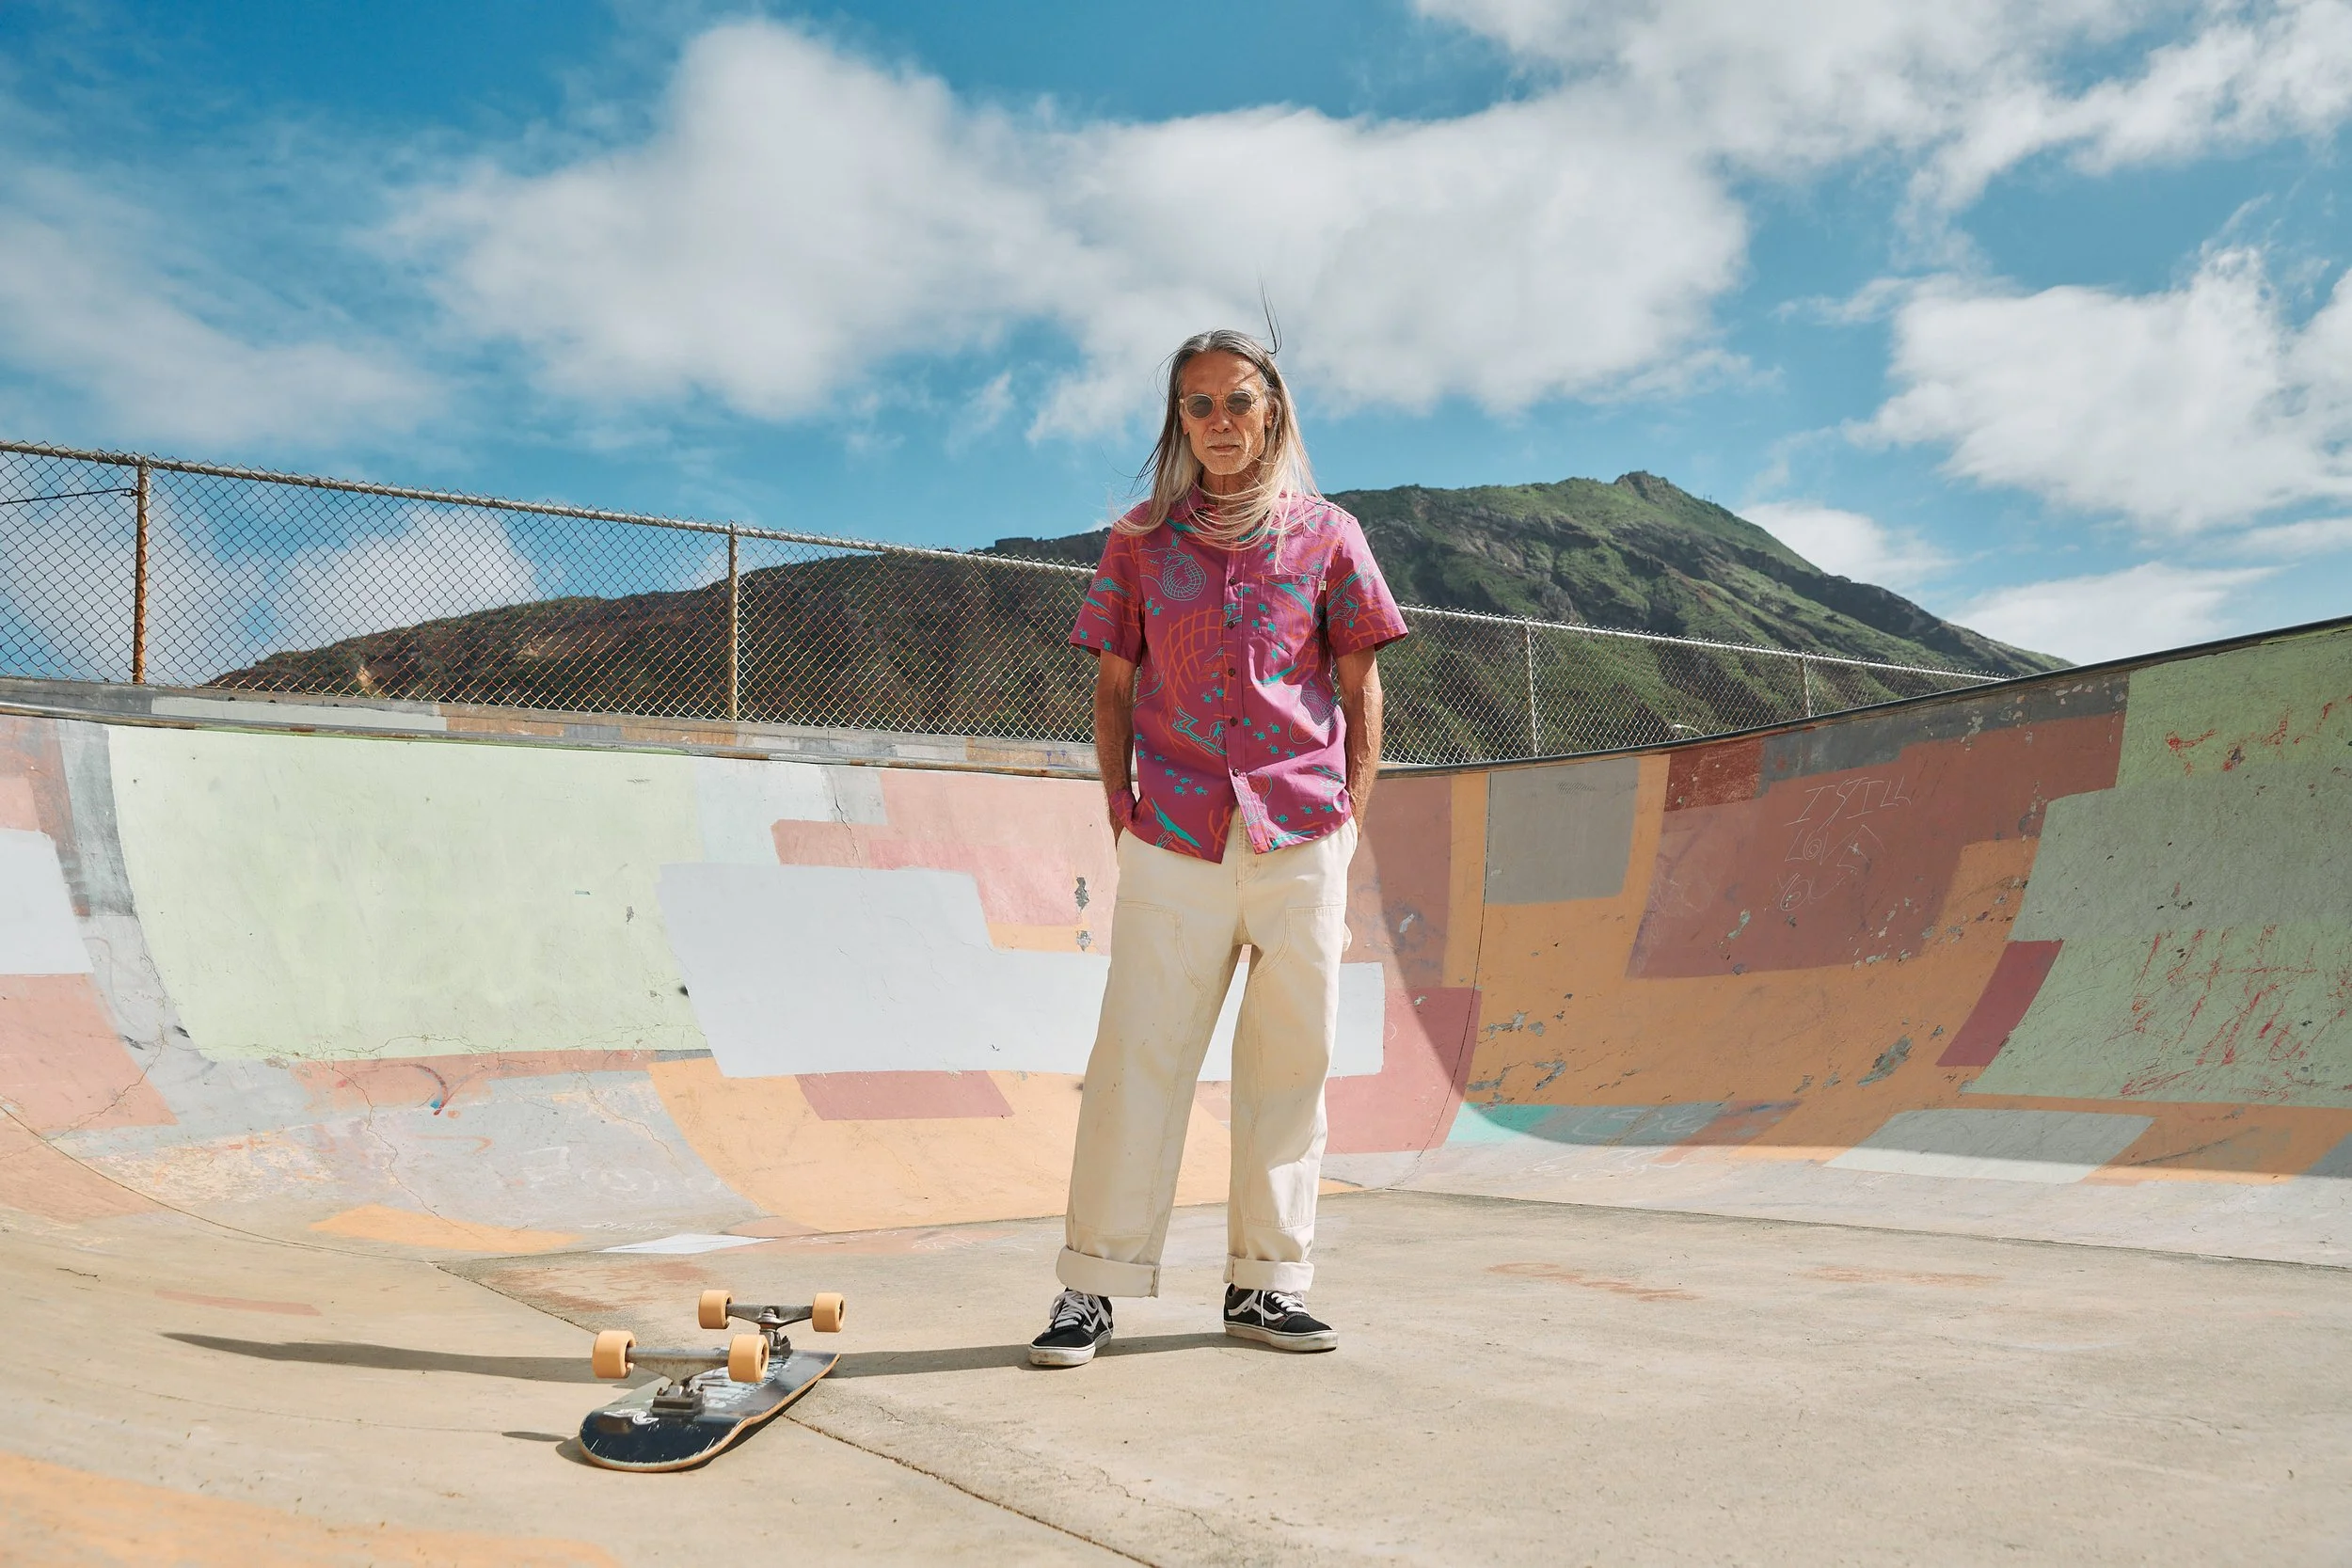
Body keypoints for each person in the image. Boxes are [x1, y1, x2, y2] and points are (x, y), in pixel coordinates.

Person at [1030, 328, 1407, 1368]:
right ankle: (1093, 1287)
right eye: (1198, 407)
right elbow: (1112, 684)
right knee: (1133, 1062)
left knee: (1292, 1063)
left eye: (1237, 401)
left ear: (1272, 408)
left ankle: (1265, 1286)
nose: (1220, 424)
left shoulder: (1330, 534)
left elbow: (1359, 684)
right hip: (1176, 834)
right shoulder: (1139, 541)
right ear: (1177, 422)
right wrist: (1120, 805)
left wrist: (1349, 817)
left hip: (1301, 830)